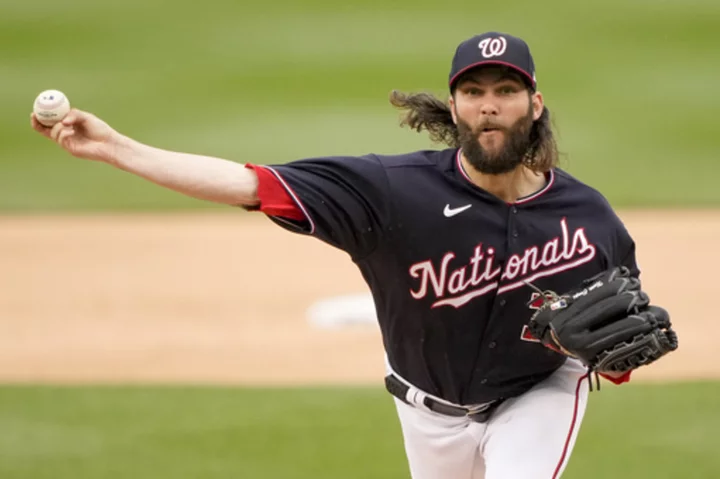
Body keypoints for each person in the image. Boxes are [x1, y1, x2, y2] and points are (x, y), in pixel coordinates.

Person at [32, 31, 644, 479]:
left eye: (506, 90)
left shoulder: (589, 219)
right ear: (454, 107)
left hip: (533, 394)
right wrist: (116, 149)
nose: (490, 104)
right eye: (474, 91)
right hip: (425, 407)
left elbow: (621, 344)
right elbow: (251, 184)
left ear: (533, 104)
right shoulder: (392, 191)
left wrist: (606, 361)